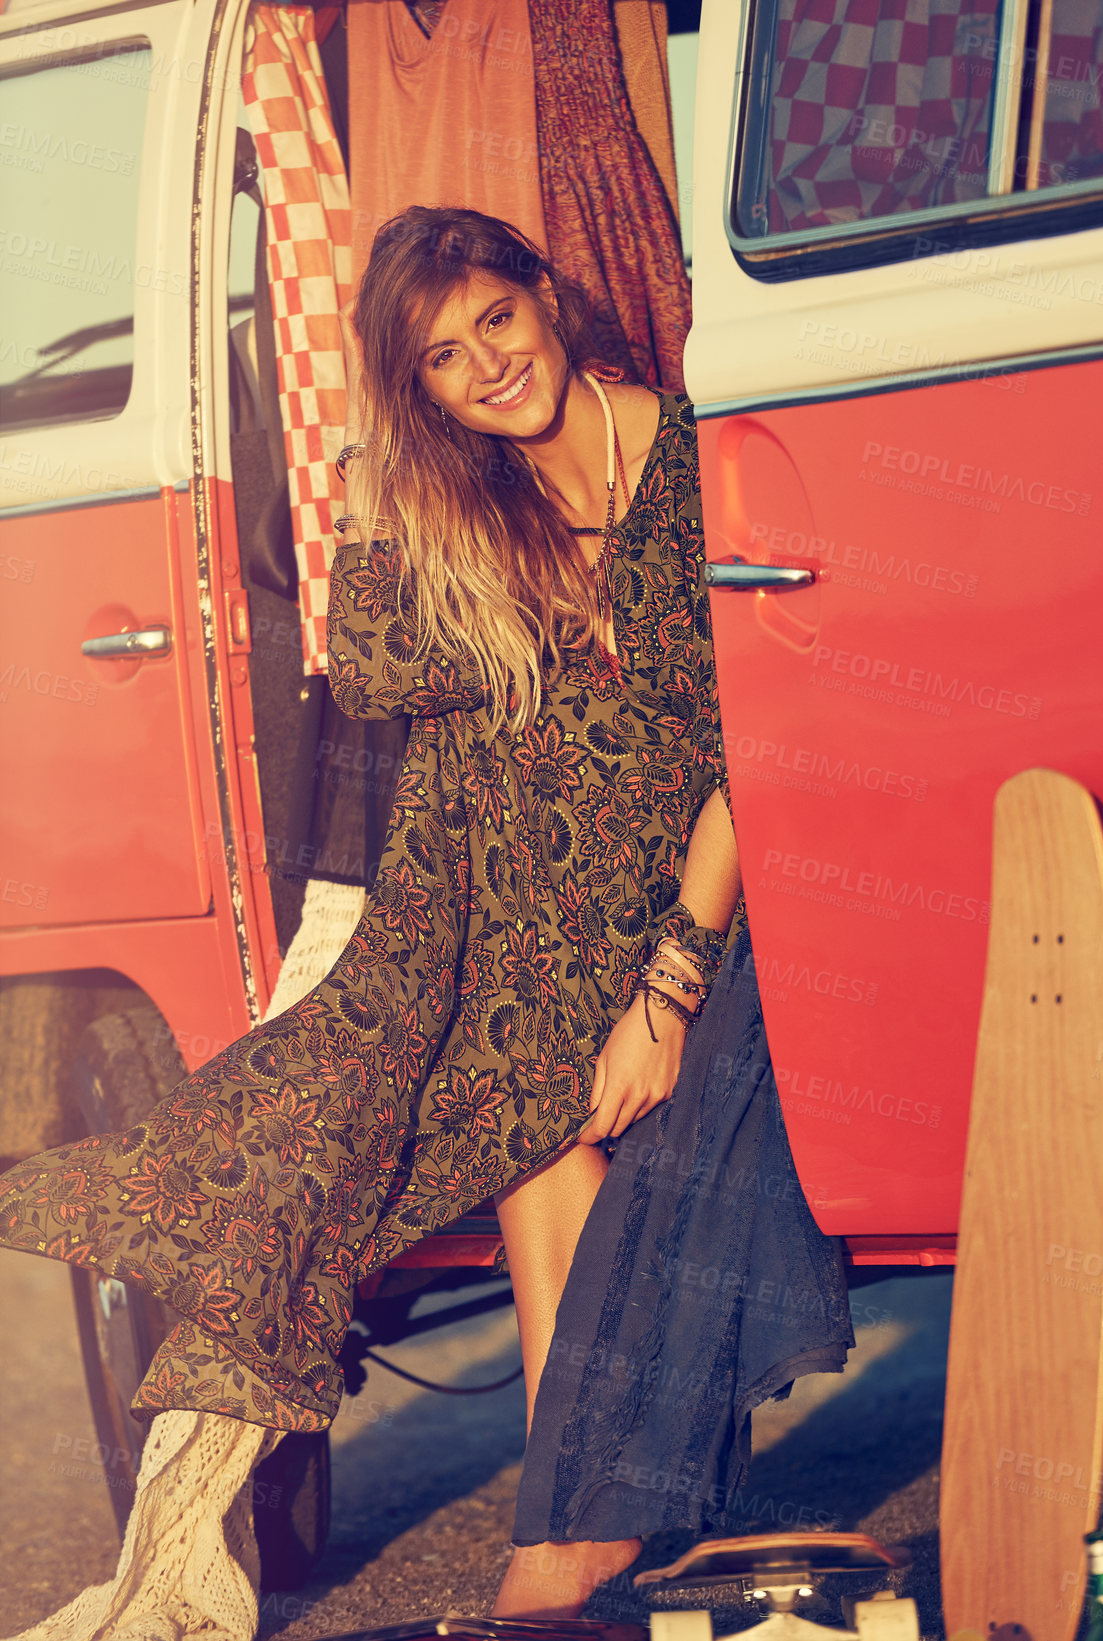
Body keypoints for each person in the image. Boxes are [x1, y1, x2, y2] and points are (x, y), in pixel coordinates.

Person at [0, 206, 746, 1622]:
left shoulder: (694, 456)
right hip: (483, 900)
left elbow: (749, 746)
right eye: (443, 363)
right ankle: (574, 1507)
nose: (487, 369)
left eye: (497, 325)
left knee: (532, 1111)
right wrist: (379, 472)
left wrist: (670, 982)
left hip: (664, 893)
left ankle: (574, 1521)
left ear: (547, 295)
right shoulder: (461, 492)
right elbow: (385, 673)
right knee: (341, 1116)